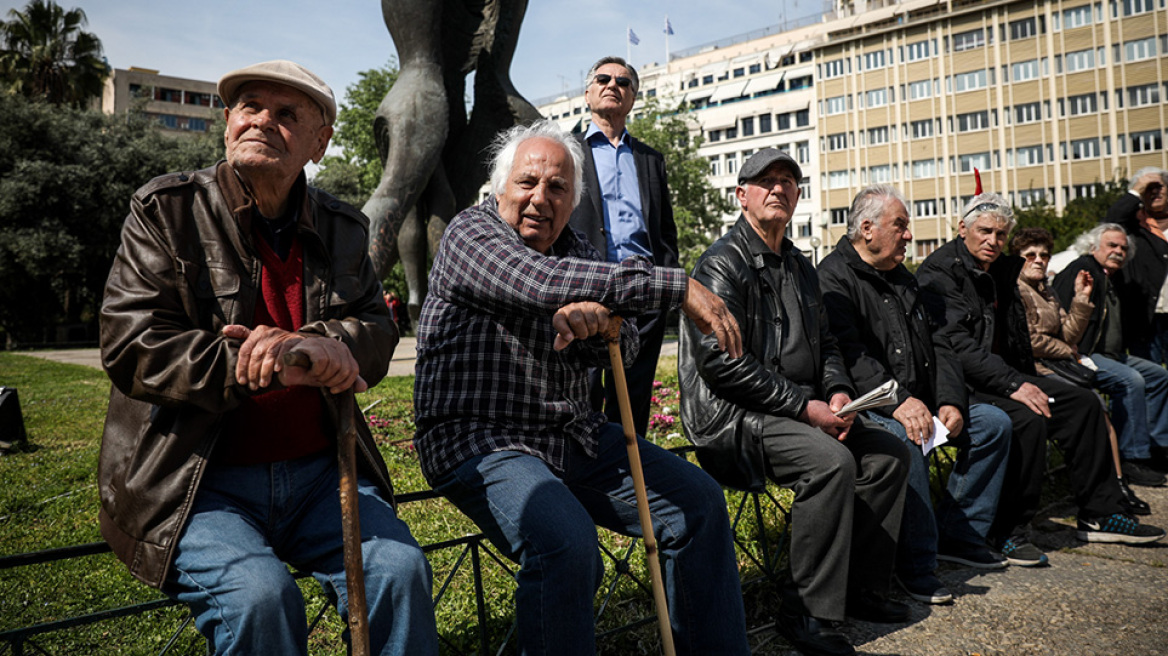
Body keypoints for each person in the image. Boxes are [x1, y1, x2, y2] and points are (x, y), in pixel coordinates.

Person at [97, 61, 439, 654]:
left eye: (287, 115)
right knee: (260, 597)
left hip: (318, 475)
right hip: (197, 481)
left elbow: (376, 330)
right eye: (251, 107)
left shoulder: (343, 227)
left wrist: (328, 343)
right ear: (228, 121)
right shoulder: (166, 209)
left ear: (320, 141)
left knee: (400, 572)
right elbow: (131, 343)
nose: (263, 122)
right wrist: (257, 362)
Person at [413, 119, 749, 656]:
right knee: (566, 544)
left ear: (573, 202)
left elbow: (629, 342)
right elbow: (539, 284)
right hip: (480, 436)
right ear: (500, 188)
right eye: (527, 183)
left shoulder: (581, 252)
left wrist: (600, 327)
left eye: (557, 188)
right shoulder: (470, 233)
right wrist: (676, 284)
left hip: (571, 436)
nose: (540, 198)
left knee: (701, 503)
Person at [680, 150, 911, 656]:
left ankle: (859, 590)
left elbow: (827, 346)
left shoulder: (801, 267)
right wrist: (807, 410)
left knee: (889, 456)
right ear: (741, 195)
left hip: (801, 408)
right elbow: (722, 366)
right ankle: (803, 610)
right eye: (766, 181)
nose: (779, 188)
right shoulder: (721, 263)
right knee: (830, 463)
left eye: (789, 180)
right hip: (734, 416)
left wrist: (838, 394)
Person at [917, 193, 1164, 567]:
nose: (993, 241)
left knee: (1081, 403)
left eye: (1001, 234)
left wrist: (1026, 379)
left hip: (999, 375)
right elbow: (955, 346)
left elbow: (1015, 337)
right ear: (962, 228)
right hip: (958, 382)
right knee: (1027, 417)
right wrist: (1015, 384)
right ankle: (1008, 531)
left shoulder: (1002, 268)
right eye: (985, 231)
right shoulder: (941, 272)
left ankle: (1099, 511)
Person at [817, 185, 1012, 608]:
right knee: (907, 438)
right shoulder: (833, 276)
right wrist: (901, 401)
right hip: (874, 405)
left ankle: (961, 535)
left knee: (994, 424)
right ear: (867, 229)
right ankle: (916, 565)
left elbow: (940, 342)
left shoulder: (904, 277)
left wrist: (951, 400)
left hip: (923, 399)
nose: (909, 235)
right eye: (901, 225)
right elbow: (851, 354)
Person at [569, 56, 680, 437]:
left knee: (631, 407)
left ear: (632, 98)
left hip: (642, 295)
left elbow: (665, 231)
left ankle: (627, 486)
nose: (613, 85)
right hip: (584, 290)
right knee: (580, 396)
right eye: (603, 78)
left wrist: (666, 287)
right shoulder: (566, 152)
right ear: (588, 93)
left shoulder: (651, 159)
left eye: (624, 82)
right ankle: (580, 482)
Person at [1012, 227, 1153, 514]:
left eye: (1044, 255)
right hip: (1037, 368)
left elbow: (1069, 335)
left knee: (1096, 405)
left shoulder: (1046, 290)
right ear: (1018, 259)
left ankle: (1115, 485)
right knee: (1094, 407)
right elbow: (1030, 342)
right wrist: (1068, 351)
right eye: (1030, 255)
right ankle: (1112, 488)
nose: (1039, 260)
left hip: (1059, 364)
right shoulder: (1017, 290)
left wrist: (1080, 299)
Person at [1051, 224, 1168, 488]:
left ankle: (1156, 445)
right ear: (1093, 247)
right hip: (1083, 354)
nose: (1118, 251)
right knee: (1132, 380)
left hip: (1111, 354)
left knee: (1159, 375)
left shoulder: (1112, 276)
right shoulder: (1083, 271)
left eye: (1123, 248)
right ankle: (1131, 459)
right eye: (1112, 246)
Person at [1104, 168, 1168, 366]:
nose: (1154, 192)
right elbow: (1110, 222)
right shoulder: (1133, 227)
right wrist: (1135, 192)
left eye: (1158, 186)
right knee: (1153, 379)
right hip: (1147, 318)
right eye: (1147, 188)